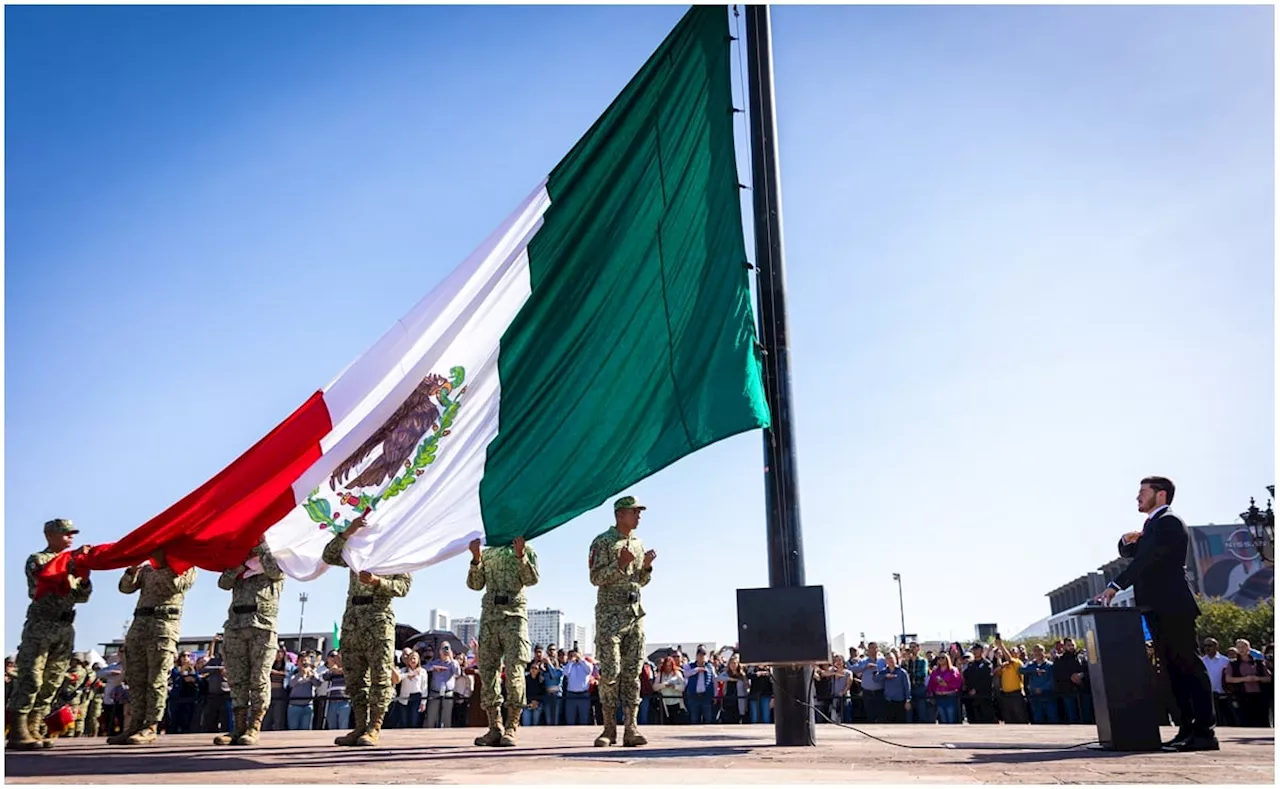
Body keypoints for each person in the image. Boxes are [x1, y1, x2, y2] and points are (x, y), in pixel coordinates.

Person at [1099, 476, 1217, 751]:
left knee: (1188, 665)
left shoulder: (1169, 522)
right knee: (1173, 670)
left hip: (1173, 604)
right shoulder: (1153, 525)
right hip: (1156, 605)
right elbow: (1133, 553)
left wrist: (1114, 586)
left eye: (1143, 492)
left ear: (1160, 495)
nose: (1138, 497)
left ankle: (1205, 732)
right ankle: (1186, 729)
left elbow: (1146, 559)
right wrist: (1125, 540)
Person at [323, 516, 412, 747]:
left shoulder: (397, 552)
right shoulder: (356, 548)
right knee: (353, 678)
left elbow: (403, 587)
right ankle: (360, 726)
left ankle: (374, 727)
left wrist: (377, 582)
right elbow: (329, 556)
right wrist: (347, 533)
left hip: (378, 620)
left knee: (380, 678)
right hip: (352, 619)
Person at [6, 519, 93, 750]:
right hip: (41, 625)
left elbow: (82, 596)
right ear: (49, 535)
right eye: (66, 534)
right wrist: (72, 562)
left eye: (72, 534)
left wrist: (83, 576)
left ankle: (34, 727)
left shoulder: (70, 563)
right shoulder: (39, 560)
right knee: (31, 677)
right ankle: (18, 729)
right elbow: (48, 579)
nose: (70, 538)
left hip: (64, 628)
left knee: (52, 680)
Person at [109, 549, 197, 745]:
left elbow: (175, 586)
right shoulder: (146, 570)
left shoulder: (186, 567)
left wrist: (163, 566)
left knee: (156, 679)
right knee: (136, 678)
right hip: (139, 625)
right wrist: (132, 570)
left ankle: (150, 726)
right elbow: (125, 588)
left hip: (163, 627)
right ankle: (134, 724)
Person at [589, 496, 656, 747]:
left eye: (639, 512)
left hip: (634, 613)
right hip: (609, 615)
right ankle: (608, 730)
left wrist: (646, 568)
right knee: (610, 672)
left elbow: (640, 580)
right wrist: (619, 564)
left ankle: (631, 729)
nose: (638, 516)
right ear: (620, 515)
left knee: (632, 673)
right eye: (634, 512)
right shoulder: (603, 541)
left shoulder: (638, 544)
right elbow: (595, 577)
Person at [467, 534, 538, 746]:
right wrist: (476, 558)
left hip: (514, 616)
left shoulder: (525, 548)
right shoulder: (487, 553)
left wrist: (520, 556)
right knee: (488, 673)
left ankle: (511, 727)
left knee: (515, 671)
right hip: (490, 616)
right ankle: (494, 727)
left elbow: (532, 579)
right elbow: (475, 584)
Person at [214, 538, 284, 745]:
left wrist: (261, 547)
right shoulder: (240, 563)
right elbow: (223, 583)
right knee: (237, 679)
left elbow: (276, 572)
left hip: (261, 626)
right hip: (235, 625)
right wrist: (239, 566)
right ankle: (238, 727)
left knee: (258, 679)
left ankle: (254, 727)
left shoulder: (275, 560)